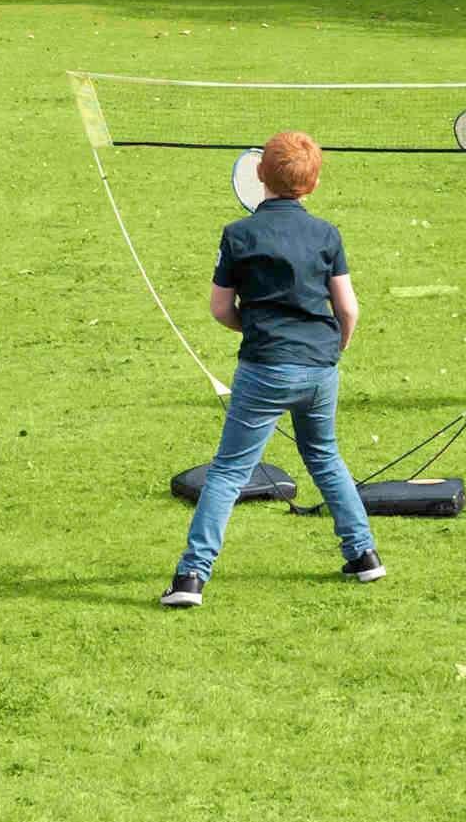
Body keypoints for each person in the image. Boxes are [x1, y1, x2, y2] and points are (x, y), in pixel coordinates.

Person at [161, 131, 382, 608]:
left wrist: (256, 330)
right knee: (325, 457)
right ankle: (363, 554)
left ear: (259, 175)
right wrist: (332, 348)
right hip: (320, 368)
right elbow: (349, 309)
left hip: (264, 368)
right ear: (314, 182)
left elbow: (221, 309)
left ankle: (191, 578)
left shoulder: (238, 234)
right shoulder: (327, 234)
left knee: (228, 473)